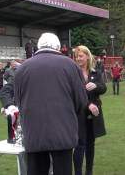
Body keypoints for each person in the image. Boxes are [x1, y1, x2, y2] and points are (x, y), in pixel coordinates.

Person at [14, 32, 88, 175]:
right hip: (63, 131)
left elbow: (19, 100)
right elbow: (81, 101)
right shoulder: (71, 65)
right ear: (58, 47)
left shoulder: (22, 68)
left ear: (38, 47)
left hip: (34, 132)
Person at [73, 45, 107, 175]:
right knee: (80, 144)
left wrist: (96, 85)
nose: (78, 58)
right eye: (76, 56)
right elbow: (74, 94)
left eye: (80, 56)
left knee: (90, 144)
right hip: (79, 113)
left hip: (94, 114)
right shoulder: (74, 74)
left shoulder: (95, 72)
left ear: (87, 56)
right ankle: (78, 173)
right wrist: (88, 105)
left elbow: (103, 89)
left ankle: (89, 172)